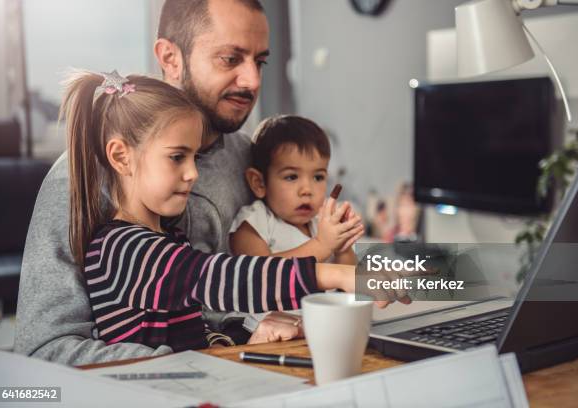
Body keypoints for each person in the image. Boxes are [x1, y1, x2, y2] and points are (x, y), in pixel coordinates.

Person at [13, 0, 299, 364]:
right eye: (230, 59)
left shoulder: (252, 159)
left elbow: (315, 240)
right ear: (170, 56)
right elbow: (44, 350)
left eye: (260, 62)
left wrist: (386, 276)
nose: (253, 81)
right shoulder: (85, 171)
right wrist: (201, 362)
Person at [61, 70, 364, 352]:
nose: (193, 172)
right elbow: (218, 278)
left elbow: (192, 334)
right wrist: (333, 274)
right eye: (177, 157)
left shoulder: (171, 238)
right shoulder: (120, 248)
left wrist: (244, 342)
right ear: (121, 157)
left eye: (193, 157)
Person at [229, 115, 363, 265]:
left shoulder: (320, 223)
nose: (307, 190)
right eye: (291, 177)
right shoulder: (255, 223)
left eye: (318, 177)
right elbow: (259, 272)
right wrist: (321, 245)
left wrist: (342, 247)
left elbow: (351, 275)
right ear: (259, 183)